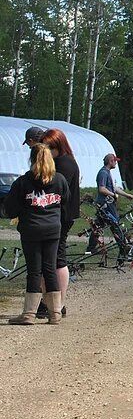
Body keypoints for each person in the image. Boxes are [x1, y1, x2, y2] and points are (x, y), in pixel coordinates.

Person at [5, 144, 70, 324]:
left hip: (31, 230)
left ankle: (29, 314)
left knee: (34, 271)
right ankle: (55, 313)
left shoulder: (23, 182)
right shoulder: (59, 180)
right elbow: (66, 201)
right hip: (52, 229)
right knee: (49, 269)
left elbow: (10, 209)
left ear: (32, 159)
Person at [37, 128, 80, 319]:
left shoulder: (64, 164)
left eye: (49, 147)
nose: (46, 151)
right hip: (59, 216)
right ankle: (50, 300)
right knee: (52, 258)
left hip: (61, 216)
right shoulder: (66, 161)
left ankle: (58, 302)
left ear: (58, 146)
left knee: (58, 259)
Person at [96, 153, 133, 224]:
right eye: (115, 161)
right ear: (110, 161)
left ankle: (92, 234)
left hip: (108, 202)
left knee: (100, 224)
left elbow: (113, 188)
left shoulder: (107, 172)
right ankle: (119, 235)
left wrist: (127, 195)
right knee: (115, 222)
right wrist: (113, 195)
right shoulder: (103, 173)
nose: (116, 163)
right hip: (105, 203)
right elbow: (102, 189)